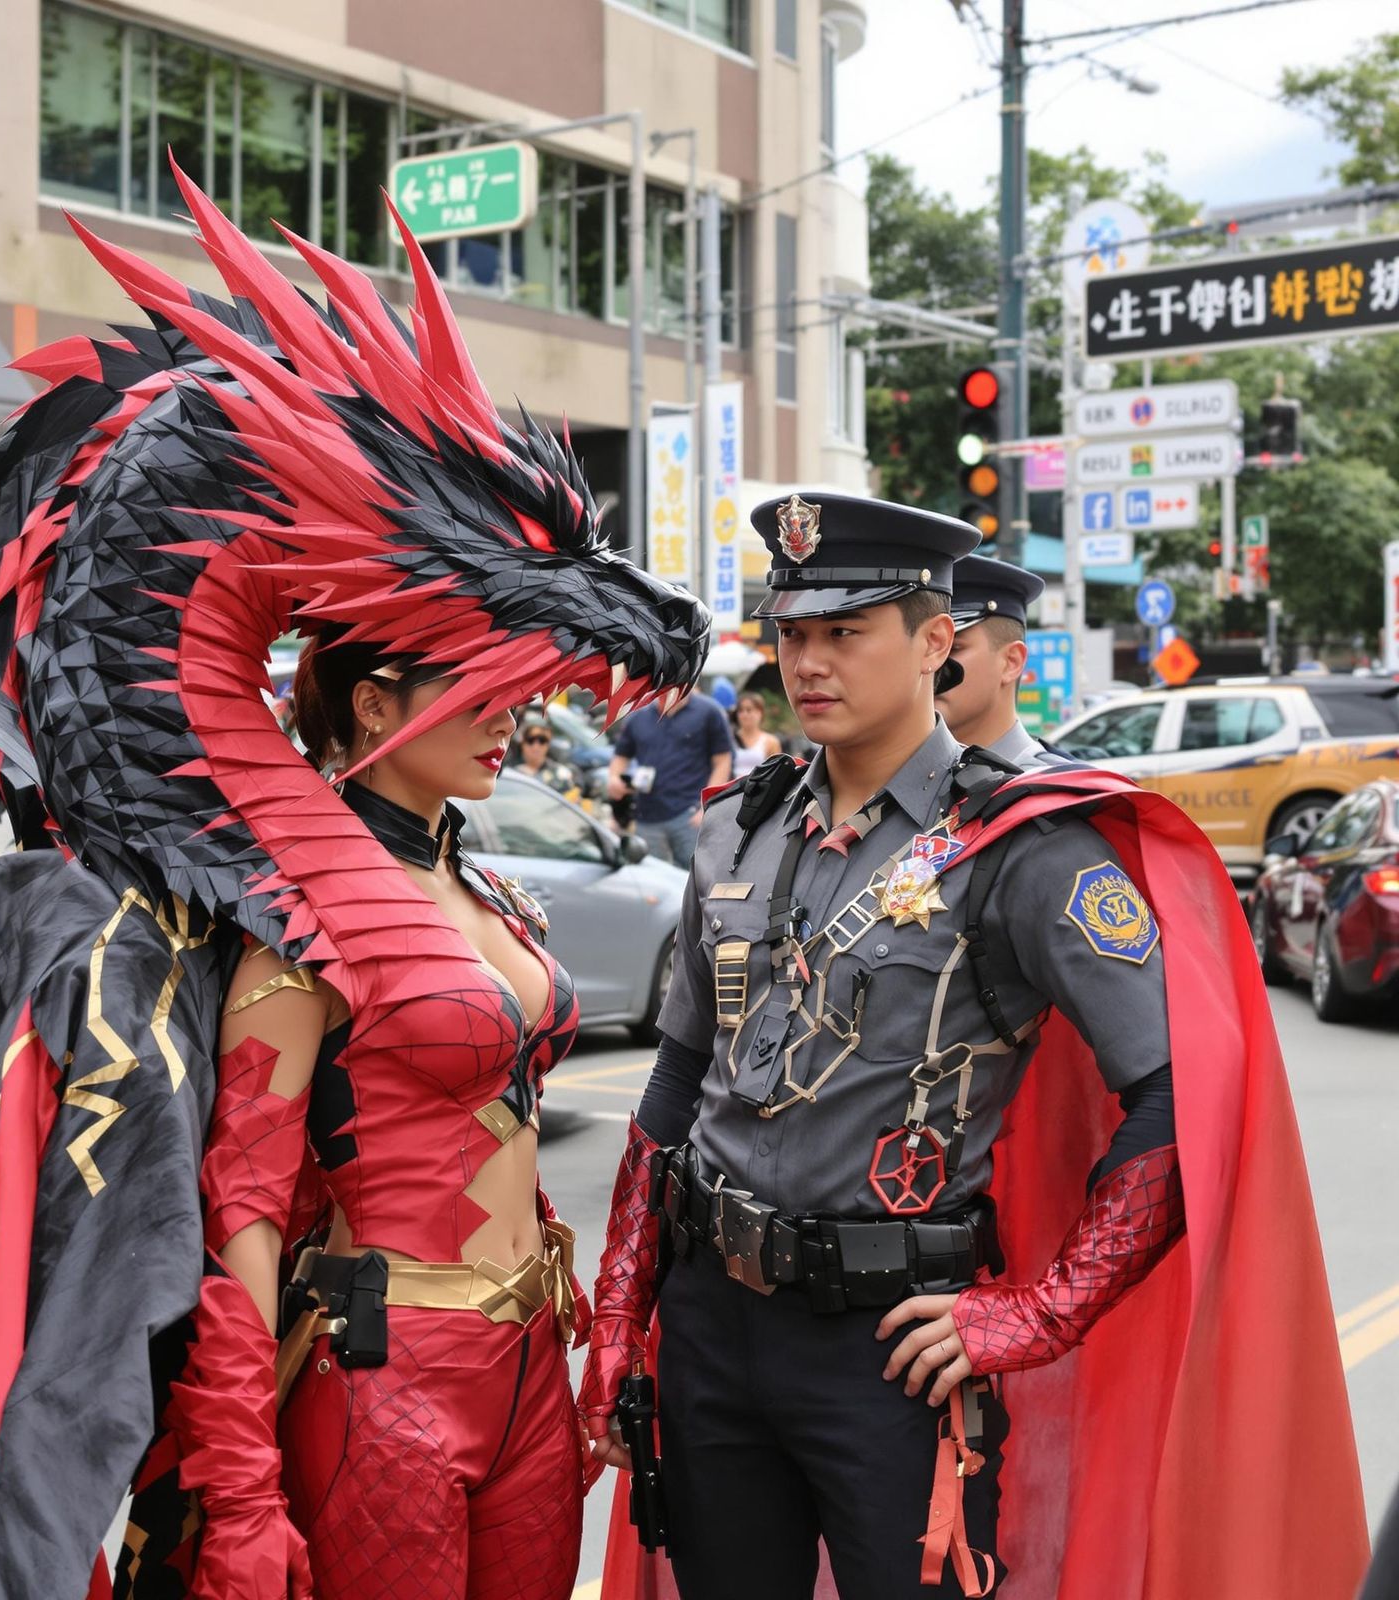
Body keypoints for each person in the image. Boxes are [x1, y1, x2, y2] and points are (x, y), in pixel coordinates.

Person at [0, 160, 711, 1600]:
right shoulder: (289, 934)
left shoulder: (490, 891)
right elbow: (242, 1226)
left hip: (532, 1372)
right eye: (475, 685)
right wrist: (237, 1498)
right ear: (364, 707)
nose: (512, 713)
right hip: (384, 1382)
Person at [583, 491, 1366, 1600]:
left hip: (887, 1351)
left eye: (844, 633)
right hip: (711, 1329)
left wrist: (1036, 1312)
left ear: (935, 640)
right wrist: (621, 1312)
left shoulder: (1025, 845)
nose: (808, 663)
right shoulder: (734, 830)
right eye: (793, 634)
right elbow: (676, 1080)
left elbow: (1181, 1093)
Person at [936, 554, 1067, 768]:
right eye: (929, 646)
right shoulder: (896, 783)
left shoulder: (1056, 793)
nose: (932, 663)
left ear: (1011, 662)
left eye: (953, 648)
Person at [606, 686, 732, 868]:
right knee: (653, 882)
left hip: (689, 814)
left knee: (697, 878)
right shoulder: (638, 715)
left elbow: (722, 761)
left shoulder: (709, 712)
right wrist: (614, 778)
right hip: (646, 815)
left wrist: (708, 806)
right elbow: (620, 756)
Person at [511, 707, 581, 797]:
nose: (536, 746)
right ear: (522, 742)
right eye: (530, 740)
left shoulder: (557, 771)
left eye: (542, 740)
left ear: (548, 743)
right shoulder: (509, 770)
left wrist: (578, 787)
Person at [730, 689, 783, 779]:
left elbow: (776, 773)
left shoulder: (770, 741)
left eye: (749, 710)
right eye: (741, 710)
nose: (744, 714)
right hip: (733, 789)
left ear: (760, 713)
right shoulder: (730, 739)